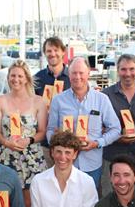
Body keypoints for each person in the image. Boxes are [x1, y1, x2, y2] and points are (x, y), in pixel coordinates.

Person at [46, 57, 121, 188]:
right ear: (69, 74)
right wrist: (57, 146)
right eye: (74, 73)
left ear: (88, 74)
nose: (78, 76)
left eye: (81, 73)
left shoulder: (101, 99)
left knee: (90, 204)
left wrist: (97, 143)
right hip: (65, 164)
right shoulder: (58, 100)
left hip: (92, 164)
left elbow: (115, 129)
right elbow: (51, 129)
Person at [0, 59, 47, 207]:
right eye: (12, 76)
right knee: (6, 204)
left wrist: (28, 140)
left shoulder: (38, 101)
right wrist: (7, 142)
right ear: (8, 78)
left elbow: (42, 132)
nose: (16, 79)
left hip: (32, 159)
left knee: (30, 204)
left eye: (19, 76)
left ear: (26, 79)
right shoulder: (0, 101)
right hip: (7, 158)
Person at [100, 54, 135, 196]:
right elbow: (99, 127)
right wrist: (116, 137)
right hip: (112, 156)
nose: (128, 74)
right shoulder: (106, 95)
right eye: (123, 69)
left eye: (131, 69)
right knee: (109, 198)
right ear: (118, 71)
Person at [33, 36, 71, 166]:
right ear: (45, 53)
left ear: (63, 52)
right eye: (49, 51)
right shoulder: (37, 79)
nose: (52, 54)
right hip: (44, 143)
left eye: (56, 50)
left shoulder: (72, 77)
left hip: (69, 142)